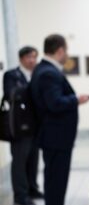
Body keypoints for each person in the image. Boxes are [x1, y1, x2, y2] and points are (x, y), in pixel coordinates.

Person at [30, 34, 89, 205]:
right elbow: (55, 103)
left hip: (53, 136)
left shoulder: (43, 69)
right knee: (56, 181)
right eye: (67, 50)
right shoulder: (48, 72)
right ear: (60, 50)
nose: (67, 54)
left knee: (54, 179)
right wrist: (76, 99)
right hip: (55, 137)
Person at [3, 46, 43, 205]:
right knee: (19, 161)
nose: (32, 60)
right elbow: (10, 94)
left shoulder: (38, 74)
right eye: (29, 57)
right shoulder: (12, 75)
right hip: (19, 126)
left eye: (34, 57)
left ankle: (33, 189)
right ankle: (20, 196)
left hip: (36, 125)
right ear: (21, 59)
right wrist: (31, 86)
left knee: (33, 160)